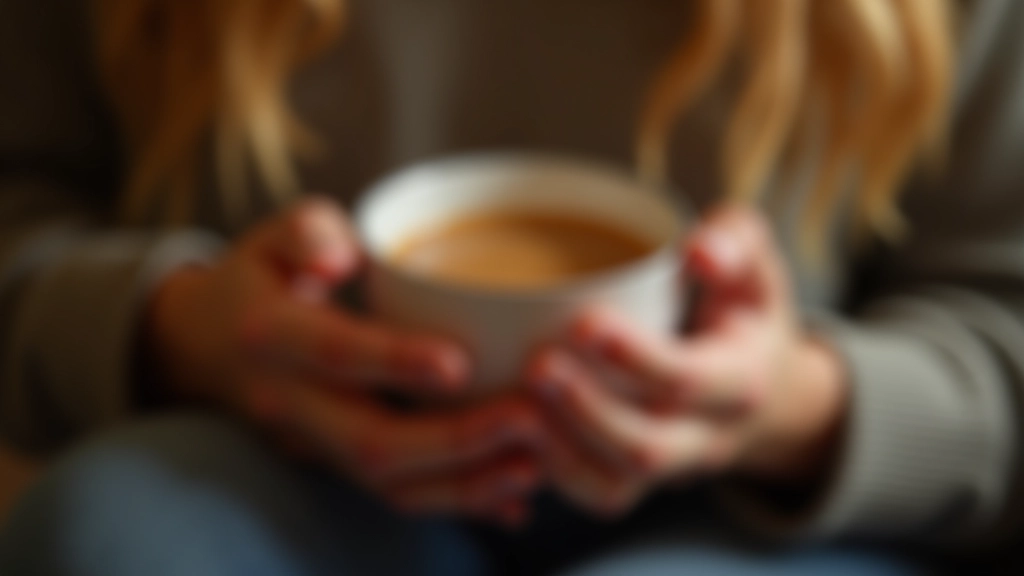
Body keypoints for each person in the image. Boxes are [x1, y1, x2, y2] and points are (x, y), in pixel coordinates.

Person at [1, 0, 1023, 574]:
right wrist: (176, 325)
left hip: (750, 515)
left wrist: (794, 405)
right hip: (292, 467)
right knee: (110, 533)